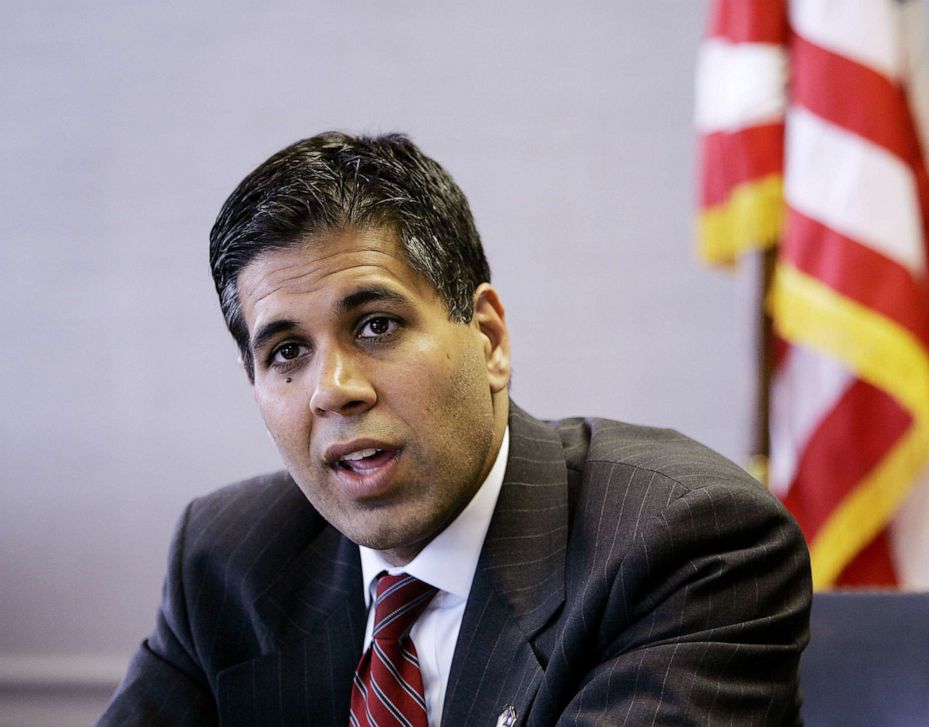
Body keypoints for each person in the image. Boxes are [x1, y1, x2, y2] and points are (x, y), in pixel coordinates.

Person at [99, 132, 811, 726]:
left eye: (376, 325)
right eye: (287, 352)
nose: (334, 389)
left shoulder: (683, 544)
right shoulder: (227, 560)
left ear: (490, 339)